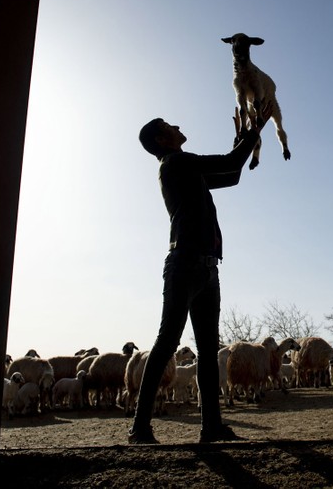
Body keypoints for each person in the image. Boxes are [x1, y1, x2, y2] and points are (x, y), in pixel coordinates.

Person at [128, 102, 273, 444]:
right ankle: (139, 428)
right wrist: (255, 128)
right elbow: (230, 162)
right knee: (167, 344)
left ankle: (212, 427)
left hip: (206, 267)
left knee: (207, 351)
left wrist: (243, 136)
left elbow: (233, 174)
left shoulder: (184, 168)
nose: (177, 125)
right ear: (164, 140)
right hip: (186, 264)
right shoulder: (176, 162)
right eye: (169, 124)